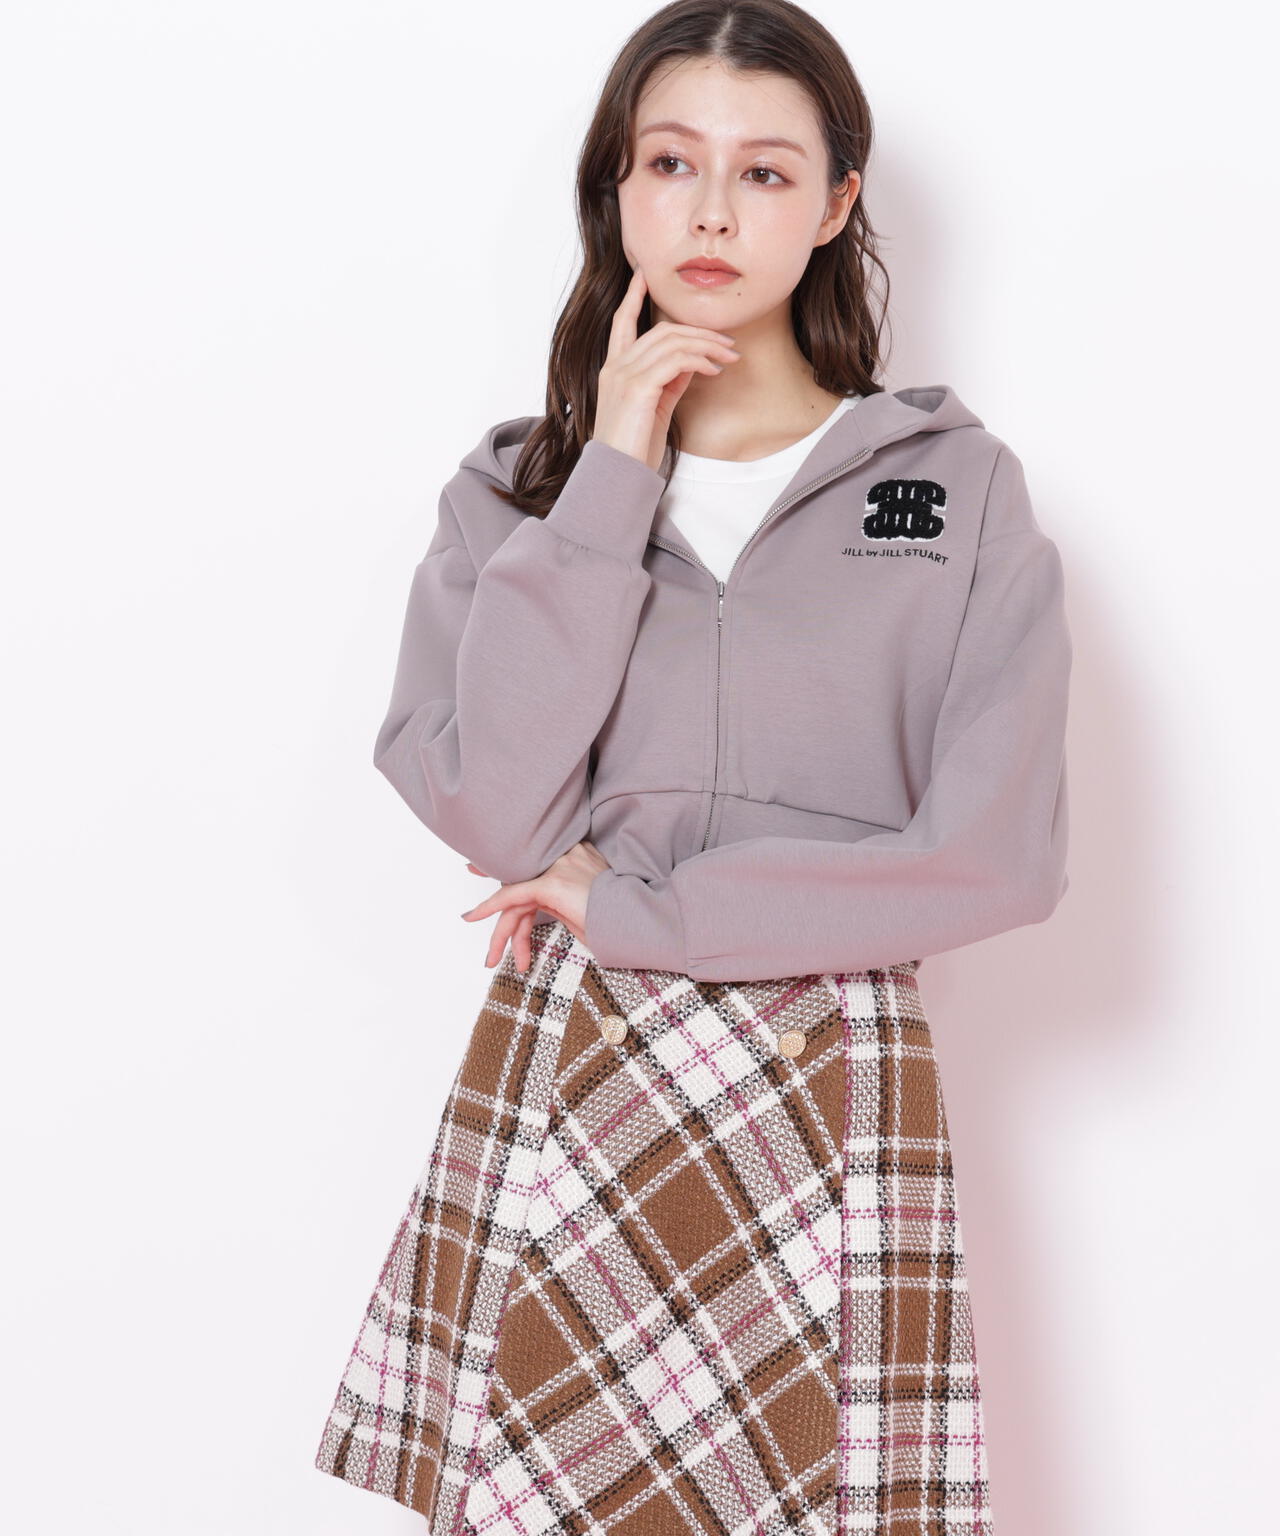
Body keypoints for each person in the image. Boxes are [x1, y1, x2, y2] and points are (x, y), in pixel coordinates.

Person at [314, 3, 1070, 1532]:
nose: (713, 213)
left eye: (765, 173)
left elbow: (996, 856)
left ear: (838, 202)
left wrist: (653, 910)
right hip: (579, 1059)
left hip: (830, 1068)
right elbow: (497, 812)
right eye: (671, 163)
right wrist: (614, 466)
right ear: (617, 186)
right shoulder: (515, 491)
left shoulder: (956, 489)